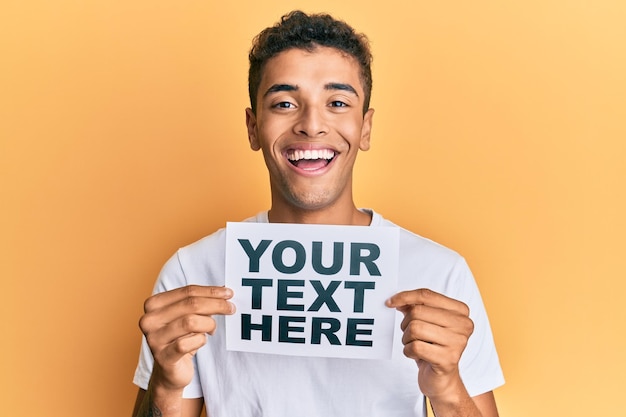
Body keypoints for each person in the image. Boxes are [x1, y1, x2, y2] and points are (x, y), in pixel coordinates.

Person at [132, 10, 504, 417]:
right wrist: (166, 385)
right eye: (285, 103)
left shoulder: (440, 275)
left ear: (365, 128)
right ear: (253, 127)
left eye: (337, 102)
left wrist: (449, 390)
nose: (311, 125)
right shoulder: (192, 274)